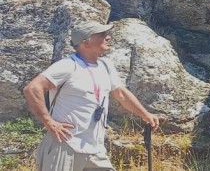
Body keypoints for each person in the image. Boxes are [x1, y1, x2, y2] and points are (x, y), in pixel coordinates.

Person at [23, 20, 160, 171]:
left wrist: (145, 114)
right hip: (64, 145)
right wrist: (49, 122)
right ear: (85, 43)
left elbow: (121, 94)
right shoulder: (68, 65)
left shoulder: (106, 66)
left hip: (95, 149)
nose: (108, 37)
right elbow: (32, 88)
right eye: (101, 34)